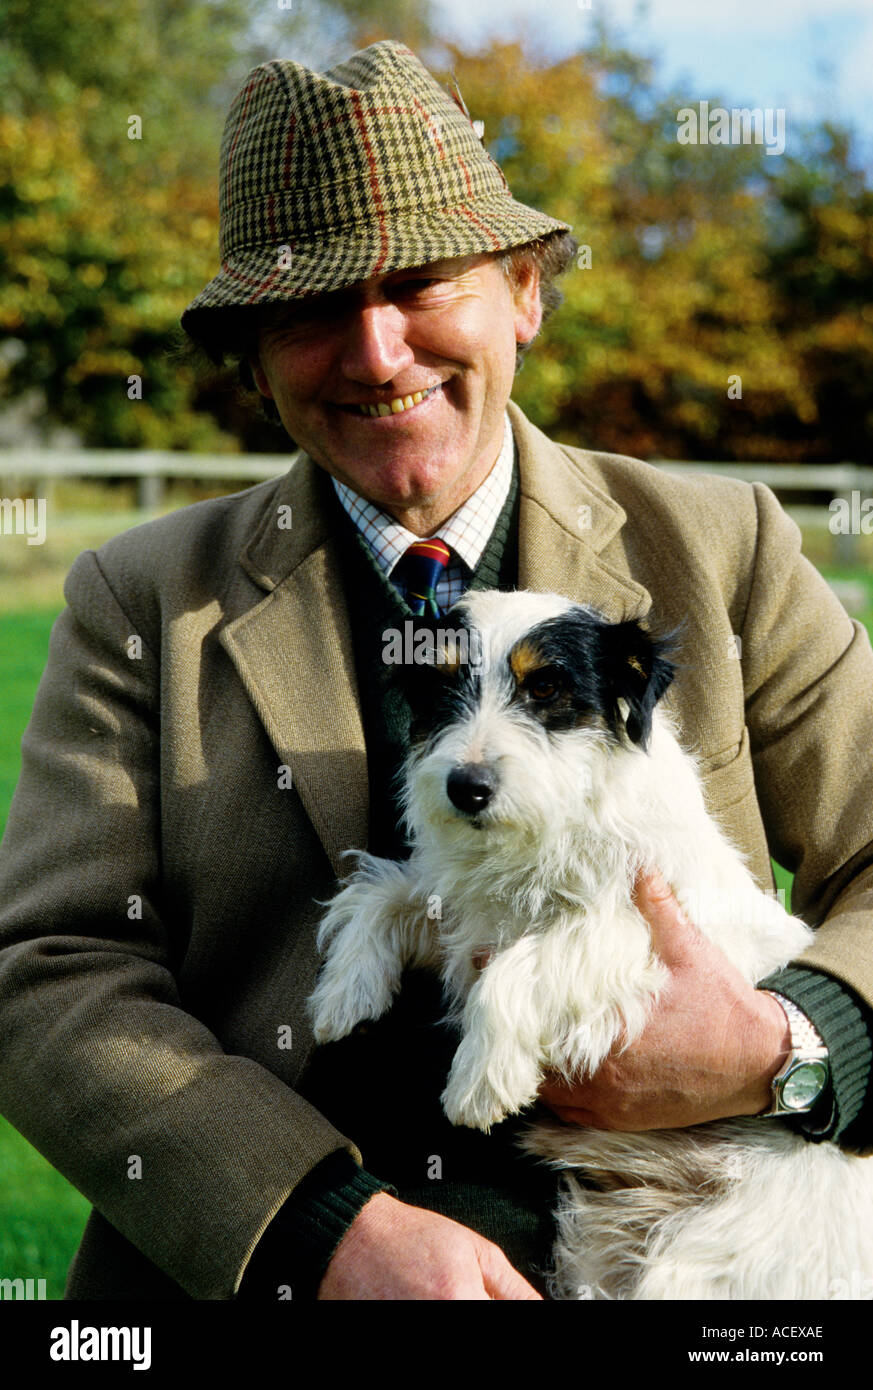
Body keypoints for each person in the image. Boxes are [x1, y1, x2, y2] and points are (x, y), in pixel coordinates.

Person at [0, 39, 871, 1303]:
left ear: (523, 290)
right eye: (309, 307)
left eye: (421, 281)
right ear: (252, 357)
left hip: (700, 1264)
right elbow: (48, 972)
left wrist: (788, 1049)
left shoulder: (723, 546)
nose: (374, 351)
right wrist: (319, 1229)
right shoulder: (138, 601)